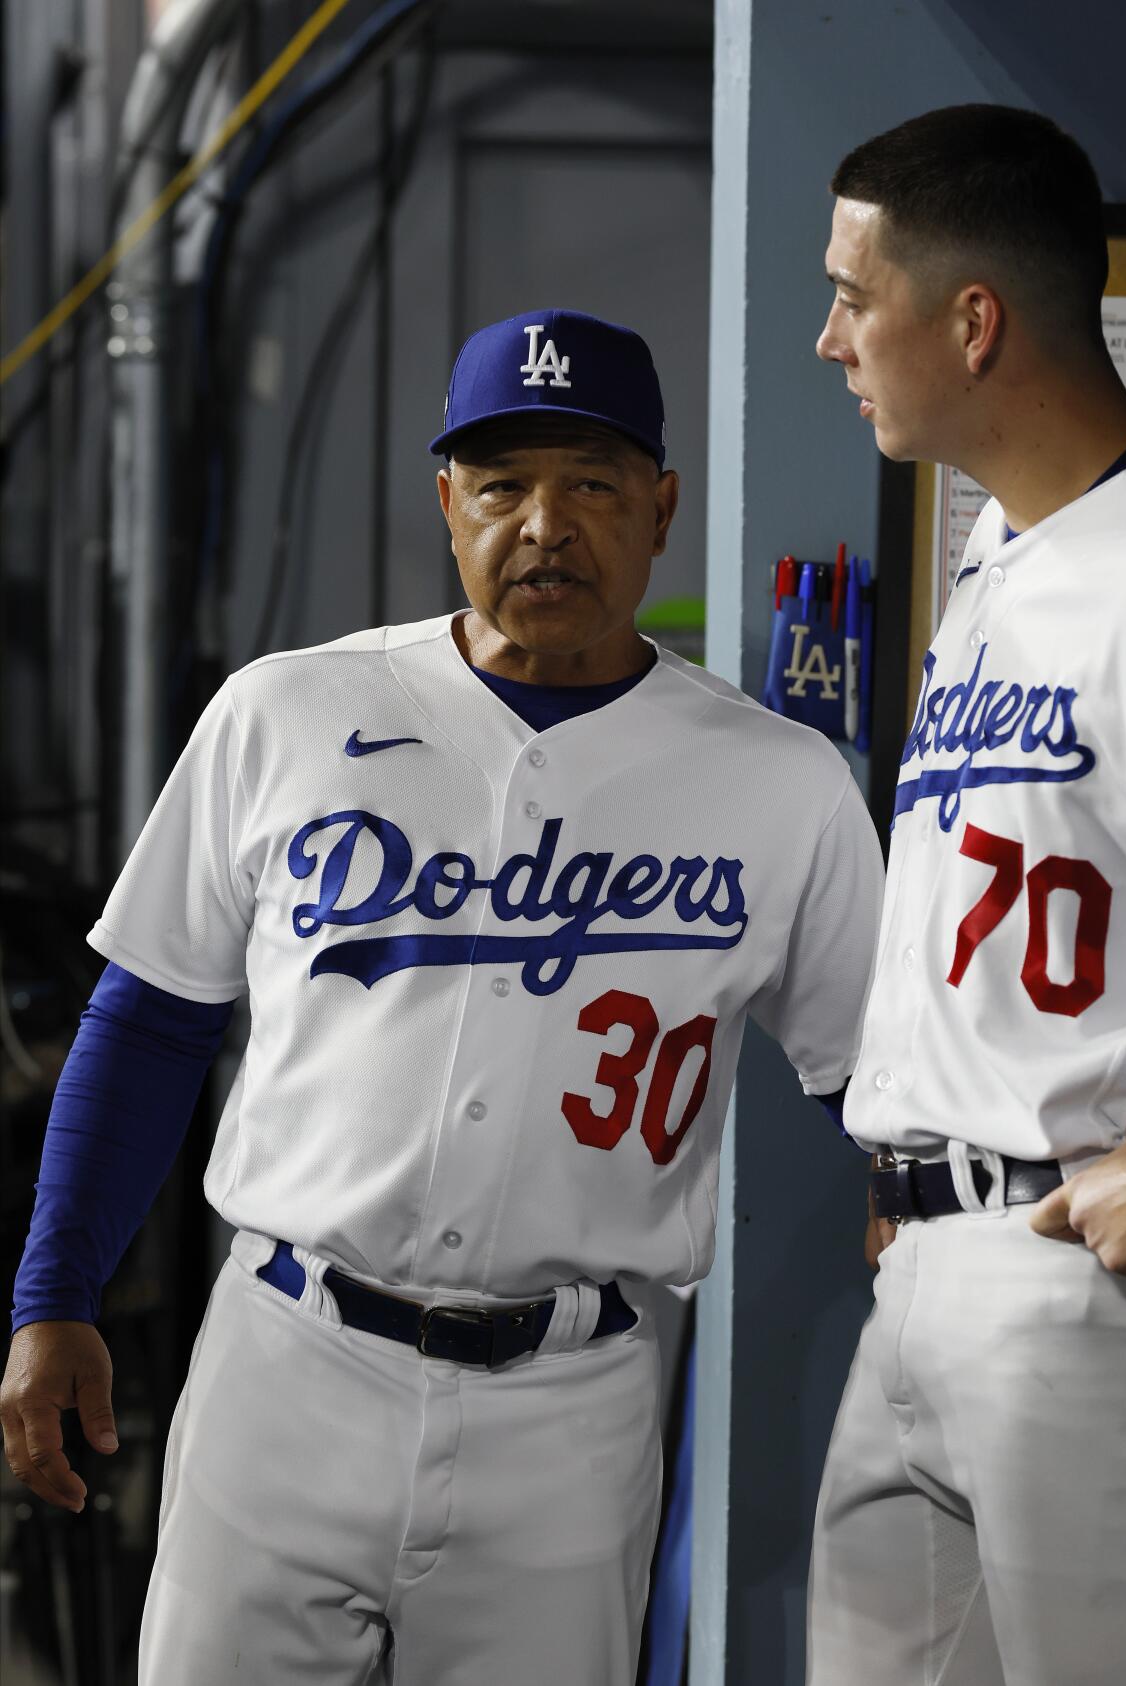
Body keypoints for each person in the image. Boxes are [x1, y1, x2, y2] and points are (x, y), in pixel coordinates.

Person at [2, 307, 884, 1685]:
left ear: (661, 508)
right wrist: (52, 1288)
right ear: (446, 504)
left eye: (591, 482)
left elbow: (880, 1092)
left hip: (573, 1405)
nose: (546, 523)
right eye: (503, 485)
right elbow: (153, 1015)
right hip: (290, 1363)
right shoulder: (285, 710)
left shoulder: (781, 783)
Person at [808, 105, 1126, 1686]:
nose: (830, 335)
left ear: (973, 321)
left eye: (854, 293)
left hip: (1083, 1278)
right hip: (926, 1269)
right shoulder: (997, 557)